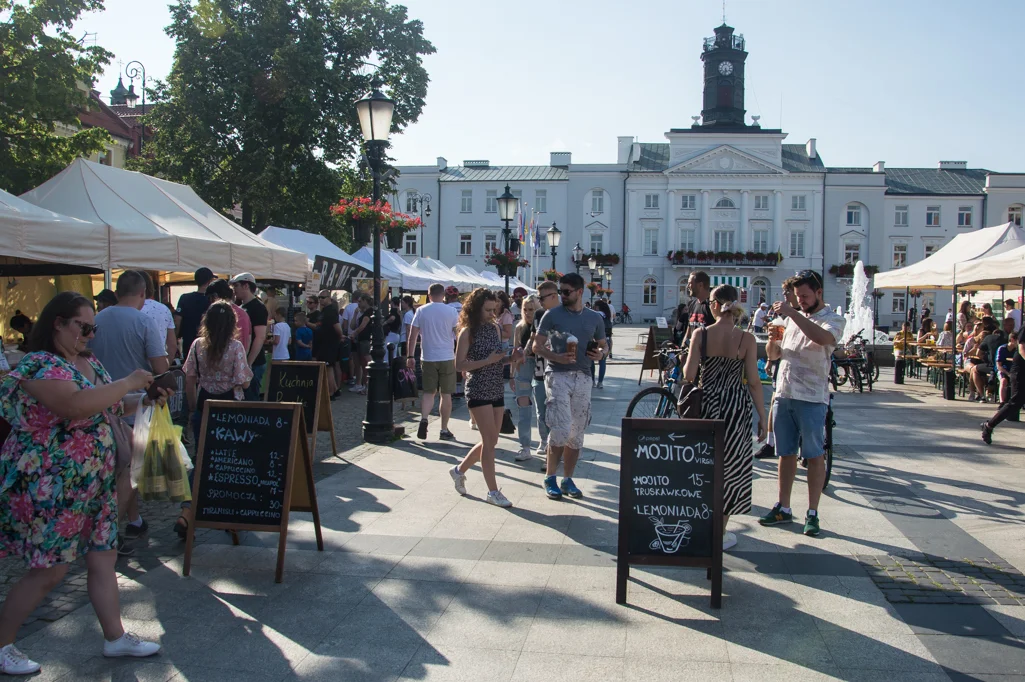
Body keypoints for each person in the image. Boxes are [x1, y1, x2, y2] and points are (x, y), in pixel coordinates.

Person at [0, 292, 164, 674]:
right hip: (52, 484)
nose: (90, 334)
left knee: (103, 558)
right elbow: (73, 405)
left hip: (95, 481)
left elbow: (103, 404)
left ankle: (115, 637)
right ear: (58, 322)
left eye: (93, 328)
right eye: (83, 326)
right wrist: (126, 383)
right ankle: (3, 642)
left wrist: (145, 398)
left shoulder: (85, 361)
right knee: (50, 570)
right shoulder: (39, 364)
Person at [760, 270, 845, 537]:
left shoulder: (833, 319)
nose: (801, 301)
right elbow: (774, 355)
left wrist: (792, 313)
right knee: (785, 454)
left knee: (813, 454)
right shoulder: (792, 319)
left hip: (811, 398)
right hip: (784, 394)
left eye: (805, 296)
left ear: (819, 293)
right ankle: (783, 507)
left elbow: (822, 339)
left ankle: (812, 512)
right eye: (798, 297)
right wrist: (773, 340)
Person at [683, 284, 767, 550]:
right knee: (730, 468)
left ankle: (701, 526)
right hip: (735, 406)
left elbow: (688, 374)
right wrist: (763, 417)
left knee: (703, 465)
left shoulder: (701, 334)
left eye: (709, 303)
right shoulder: (746, 339)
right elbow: (754, 381)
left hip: (707, 405)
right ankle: (720, 532)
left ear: (716, 305)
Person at [90, 270, 170, 547]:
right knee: (132, 472)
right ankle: (109, 531)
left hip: (99, 404)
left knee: (116, 470)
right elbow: (160, 368)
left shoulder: (95, 320)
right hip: (136, 405)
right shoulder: (143, 321)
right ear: (143, 293)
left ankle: (133, 521)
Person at [178, 302, 252, 536]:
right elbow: (244, 380)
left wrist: (192, 407)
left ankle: (186, 512)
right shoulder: (236, 347)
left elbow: (189, 378)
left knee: (200, 459)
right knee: (232, 461)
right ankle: (229, 514)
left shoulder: (198, 345)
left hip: (204, 406)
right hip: (231, 410)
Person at [532, 273, 607, 500]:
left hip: (584, 376)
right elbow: (536, 346)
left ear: (579, 292)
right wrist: (556, 356)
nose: (562, 296)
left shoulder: (595, 318)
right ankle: (550, 477)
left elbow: (604, 347)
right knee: (561, 428)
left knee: (577, 432)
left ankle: (567, 479)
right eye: (560, 292)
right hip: (557, 374)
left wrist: (600, 354)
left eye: (566, 292)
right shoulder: (551, 315)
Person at [449, 289, 523, 507]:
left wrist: (513, 358)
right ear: (475, 308)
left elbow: (498, 360)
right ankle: (492, 491)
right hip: (478, 388)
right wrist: (487, 361)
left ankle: (458, 470)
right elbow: (460, 365)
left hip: (495, 388)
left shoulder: (496, 328)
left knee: (491, 441)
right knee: (489, 443)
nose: (492, 314)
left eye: (495, 309)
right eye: (488, 310)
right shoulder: (467, 332)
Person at [407, 283, 460, 441]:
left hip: (428, 356)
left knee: (429, 392)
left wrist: (410, 356)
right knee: (446, 394)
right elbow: (457, 334)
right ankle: (444, 429)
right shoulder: (451, 311)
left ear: (428, 295)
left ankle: (424, 419)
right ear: (443, 295)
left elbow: (412, 335)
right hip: (447, 356)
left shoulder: (421, 311)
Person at [229, 273, 268, 400]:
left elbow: (260, 337)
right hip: (242, 361)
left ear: (246, 285)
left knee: (251, 400)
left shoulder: (258, 307)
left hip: (253, 363)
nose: (234, 289)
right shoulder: (241, 307)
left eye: (236, 285)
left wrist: (248, 363)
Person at [511, 294, 541, 462]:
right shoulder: (519, 327)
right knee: (523, 408)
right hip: (522, 368)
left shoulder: (542, 326)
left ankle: (544, 443)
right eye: (525, 309)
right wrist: (511, 374)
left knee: (542, 409)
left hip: (538, 367)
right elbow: (516, 351)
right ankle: (525, 446)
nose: (528, 313)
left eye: (532, 309)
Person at [532, 281, 559, 462]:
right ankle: (544, 441)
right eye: (538, 297)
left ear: (554, 296)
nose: (540, 301)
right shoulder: (539, 314)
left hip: (558, 372)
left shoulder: (565, 315)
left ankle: (555, 445)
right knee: (541, 411)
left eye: (542, 298)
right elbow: (534, 339)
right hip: (540, 370)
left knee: (557, 413)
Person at [174, 267, 214, 361]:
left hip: (189, 343)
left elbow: (177, 321)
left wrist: (175, 340)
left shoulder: (184, 298)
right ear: (210, 281)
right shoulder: (213, 300)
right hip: (209, 344)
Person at [206, 279, 251, 358]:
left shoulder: (217, 313)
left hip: (222, 361)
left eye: (210, 297)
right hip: (240, 361)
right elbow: (249, 338)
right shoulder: (243, 313)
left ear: (215, 296)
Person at [140, 271, 177, 361]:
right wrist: (166, 366)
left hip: (133, 367)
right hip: (159, 363)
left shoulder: (132, 308)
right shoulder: (164, 309)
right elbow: (172, 345)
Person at [970, 316, 1003, 403]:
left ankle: (982, 395)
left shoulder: (988, 338)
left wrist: (985, 358)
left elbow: (978, 353)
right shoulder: (1005, 338)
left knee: (974, 370)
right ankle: (989, 392)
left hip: (993, 366)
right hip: (1004, 366)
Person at [682, 271, 714, 348]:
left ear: (700, 285)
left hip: (708, 355)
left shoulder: (713, 306)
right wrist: (682, 349)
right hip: (693, 353)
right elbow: (689, 330)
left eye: (690, 283)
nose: (687, 286)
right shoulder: (691, 304)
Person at [350, 294, 374, 395]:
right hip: (362, 340)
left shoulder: (369, 312)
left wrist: (355, 333)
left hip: (365, 340)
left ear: (365, 301)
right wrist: (356, 314)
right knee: (363, 364)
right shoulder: (362, 313)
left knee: (368, 363)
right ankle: (365, 386)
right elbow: (353, 325)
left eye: (360, 301)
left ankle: (369, 386)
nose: (358, 304)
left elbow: (363, 326)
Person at [592, 299, 613, 388]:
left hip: (595, 340)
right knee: (602, 361)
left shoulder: (596, 315)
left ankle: (592, 381)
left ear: (596, 307)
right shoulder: (607, 316)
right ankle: (600, 382)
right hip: (606, 339)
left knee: (591, 360)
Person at [996, 332, 1017, 406]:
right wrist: (1008, 374)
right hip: (1003, 370)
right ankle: (1002, 402)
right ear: (1012, 340)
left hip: (1014, 370)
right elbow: (999, 366)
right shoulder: (1002, 348)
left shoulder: (1017, 350)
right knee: (1003, 381)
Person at [385, 297, 403, 363]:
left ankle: (388, 370)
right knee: (394, 354)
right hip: (397, 334)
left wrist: (385, 323)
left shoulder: (393, 311)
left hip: (391, 334)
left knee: (387, 354)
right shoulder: (399, 312)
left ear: (392, 303)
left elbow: (392, 318)